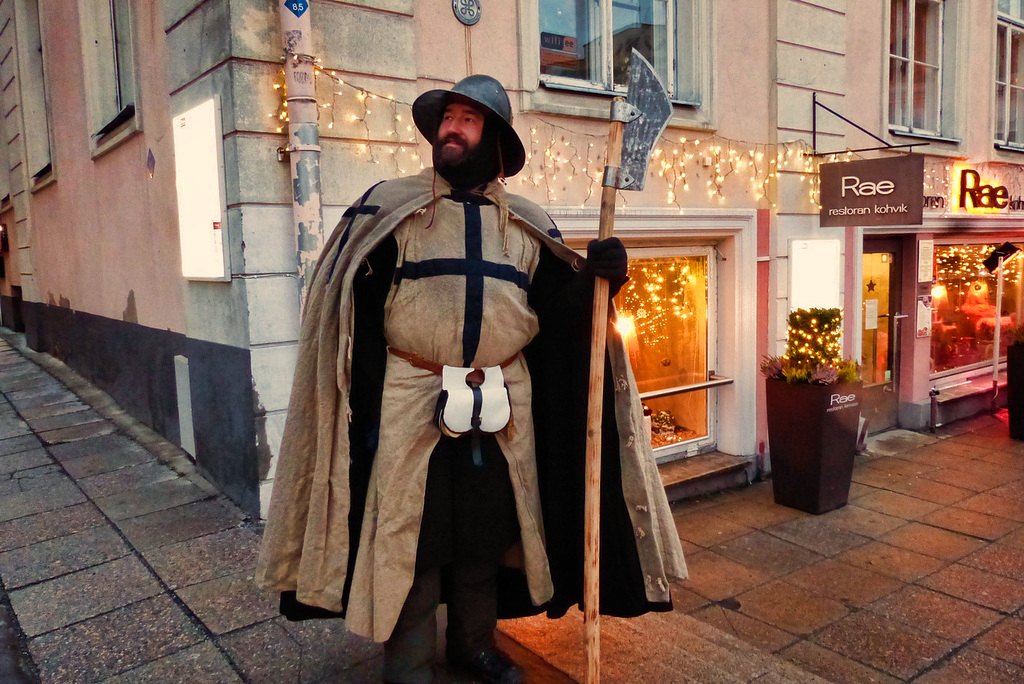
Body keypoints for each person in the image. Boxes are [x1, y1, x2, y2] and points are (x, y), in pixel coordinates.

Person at [256, 74, 687, 684]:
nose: (451, 129)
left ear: (495, 140)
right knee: (412, 535)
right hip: (412, 398)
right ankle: (407, 663)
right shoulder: (392, 206)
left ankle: (473, 646)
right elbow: (359, 306)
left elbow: (559, 323)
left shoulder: (528, 223)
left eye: (468, 119)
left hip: (505, 403)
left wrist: (601, 280)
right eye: (447, 118)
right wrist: (367, 414)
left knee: (485, 535)